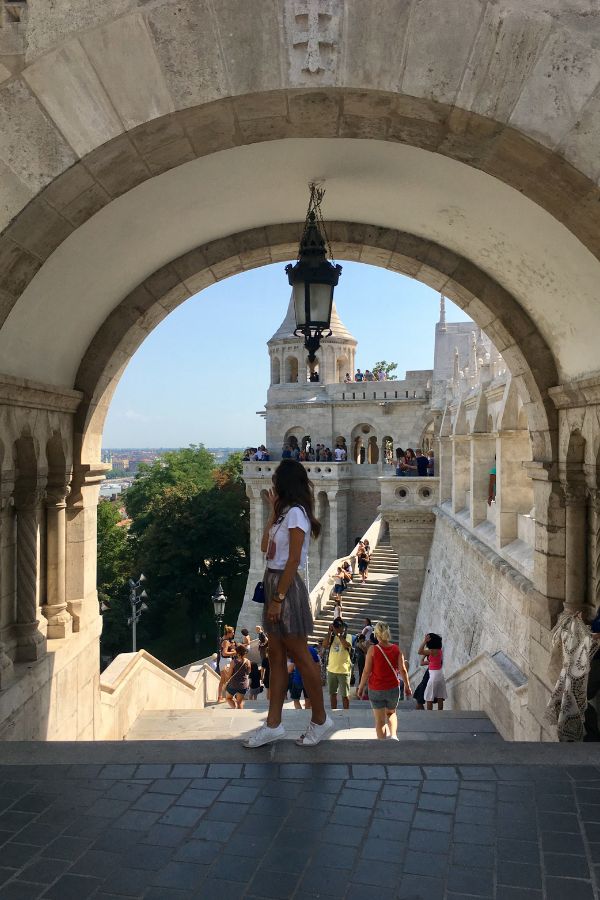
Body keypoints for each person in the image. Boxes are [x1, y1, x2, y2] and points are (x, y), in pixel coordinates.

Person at [243, 459, 333, 748]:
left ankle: (320, 719)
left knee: (300, 654)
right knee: (277, 657)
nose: (272, 483)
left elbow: (294, 559)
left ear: (286, 482)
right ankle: (273, 724)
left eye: (276, 478)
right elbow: (263, 547)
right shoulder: (283, 514)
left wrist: (279, 599)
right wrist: (271, 511)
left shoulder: (296, 515)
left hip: (285, 586)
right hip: (272, 581)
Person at [356, 621, 411, 739]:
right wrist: (407, 686)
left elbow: (366, 671)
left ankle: (382, 743)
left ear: (376, 634)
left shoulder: (372, 650)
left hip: (376, 689)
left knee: (379, 721)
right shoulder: (396, 649)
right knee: (391, 713)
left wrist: (360, 687)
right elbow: (403, 670)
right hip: (392, 688)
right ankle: (394, 736)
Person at [326, 618, 352, 710]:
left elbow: (346, 645)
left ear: (342, 627)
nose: (337, 628)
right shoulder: (332, 636)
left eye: (338, 627)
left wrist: (339, 635)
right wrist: (329, 632)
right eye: (335, 626)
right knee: (333, 694)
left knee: (345, 695)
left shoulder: (348, 636)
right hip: (331, 670)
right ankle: (334, 711)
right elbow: (325, 645)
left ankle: (346, 712)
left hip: (343, 671)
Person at [419, 633, 447, 710]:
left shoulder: (432, 651)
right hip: (440, 674)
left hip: (434, 675)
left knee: (429, 696)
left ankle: (429, 714)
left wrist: (424, 641)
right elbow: (431, 662)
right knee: (440, 695)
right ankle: (440, 712)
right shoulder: (439, 651)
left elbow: (419, 651)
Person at [290, 645, 320, 709]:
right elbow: (317, 666)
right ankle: (306, 716)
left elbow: (290, 669)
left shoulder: (295, 650)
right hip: (310, 680)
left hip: (298, 679)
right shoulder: (312, 650)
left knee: (296, 700)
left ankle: (301, 715)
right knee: (308, 701)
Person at [225, 645, 251, 709]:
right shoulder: (248, 661)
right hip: (243, 685)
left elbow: (229, 675)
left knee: (228, 698)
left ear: (237, 653)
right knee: (239, 702)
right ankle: (239, 713)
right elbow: (248, 672)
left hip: (233, 684)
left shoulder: (233, 662)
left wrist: (226, 670)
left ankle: (234, 708)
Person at [217, 626, 237, 702]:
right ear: (228, 633)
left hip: (223, 661)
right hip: (226, 661)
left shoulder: (223, 639)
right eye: (232, 632)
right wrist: (234, 652)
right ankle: (230, 697)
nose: (233, 633)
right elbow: (224, 653)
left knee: (222, 680)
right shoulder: (226, 641)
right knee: (229, 680)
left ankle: (220, 697)